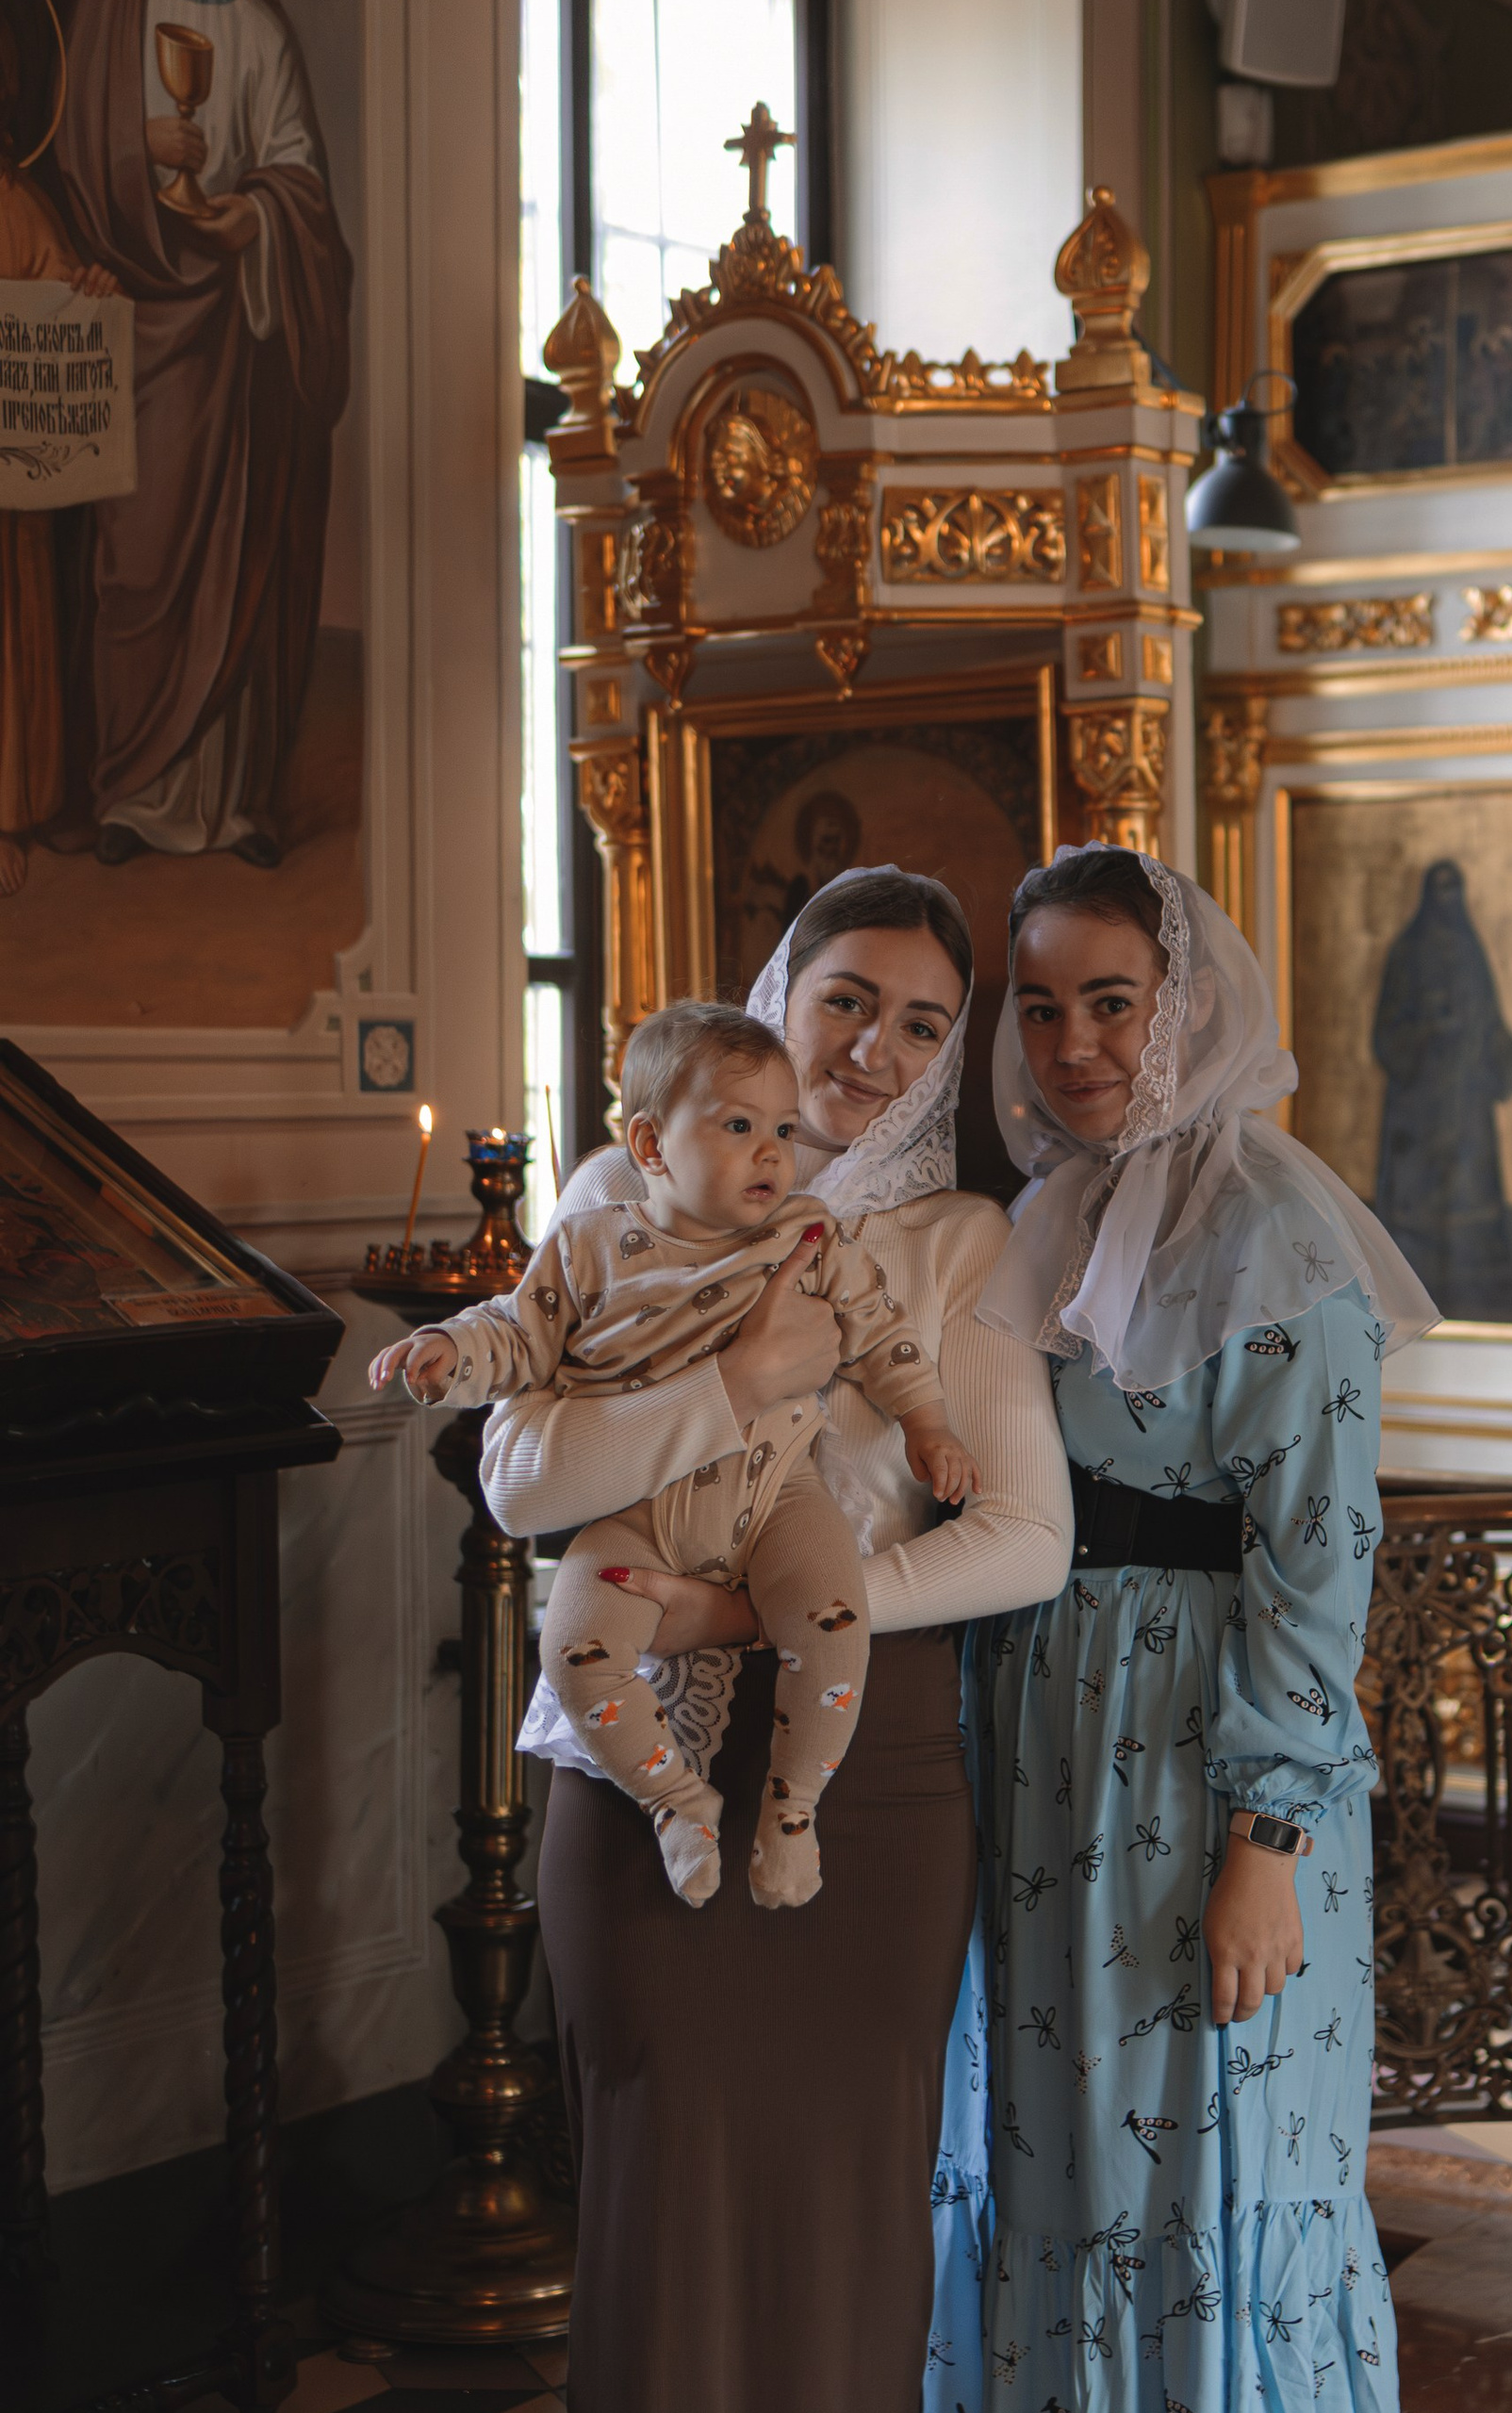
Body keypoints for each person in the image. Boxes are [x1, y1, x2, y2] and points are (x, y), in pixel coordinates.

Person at [481, 868, 1072, 2412]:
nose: (876, 1047)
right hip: (638, 1762)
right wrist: (730, 1391)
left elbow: (1025, 1538)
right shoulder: (617, 1207)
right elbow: (520, 1483)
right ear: (775, 1001)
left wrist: (752, 1609)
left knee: (850, 2199)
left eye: (923, 1025)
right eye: (848, 1002)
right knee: (665, 2174)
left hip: (867, 1778)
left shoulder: (962, 1245)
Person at [976, 843, 1438, 2410]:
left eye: (1112, 1002)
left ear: (1189, 1005)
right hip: (1047, 1737)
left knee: (1206, 2151)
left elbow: (1319, 1561)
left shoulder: (1279, 1239)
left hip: (1202, 1762)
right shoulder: (1048, 1216)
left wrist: (1268, 1841)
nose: (1075, 1047)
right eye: (1040, 1010)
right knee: (1064, 2148)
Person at [376, 1000, 977, 1912]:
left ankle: (791, 1812)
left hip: (777, 1495)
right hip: (636, 1515)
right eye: (739, 1127)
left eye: (782, 1128)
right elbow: (514, 1336)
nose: (772, 1152)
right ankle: (674, 1801)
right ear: (652, 1147)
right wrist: (448, 1354)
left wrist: (928, 1425)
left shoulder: (806, 1238)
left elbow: (882, 1336)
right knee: (574, 1650)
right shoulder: (590, 1246)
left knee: (831, 1617)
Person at [54, 0, 352, 865]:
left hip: (232, 333)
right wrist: (136, 146)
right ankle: (133, 791)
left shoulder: (253, 26)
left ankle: (234, 804)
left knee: (234, 554)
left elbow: (297, 173)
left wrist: (254, 217)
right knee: (135, 556)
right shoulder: (105, 23)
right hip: (134, 322)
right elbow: (62, 160)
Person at [0, 2, 119, 896]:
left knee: (23, 638)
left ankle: (18, 809)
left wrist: (84, 290)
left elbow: (57, 303)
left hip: (16, 498)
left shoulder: (17, 201)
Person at [1371, 858, 1512, 1305]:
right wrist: (1428, 1029)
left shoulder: (1470, 952)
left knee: (1470, 1210)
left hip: (1465, 1099)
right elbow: (1386, 1032)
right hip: (1420, 1104)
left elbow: (1490, 1024)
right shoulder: (1406, 953)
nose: (1448, 901)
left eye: (1454, 891)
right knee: (1417, 1234)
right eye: (1441, 891)